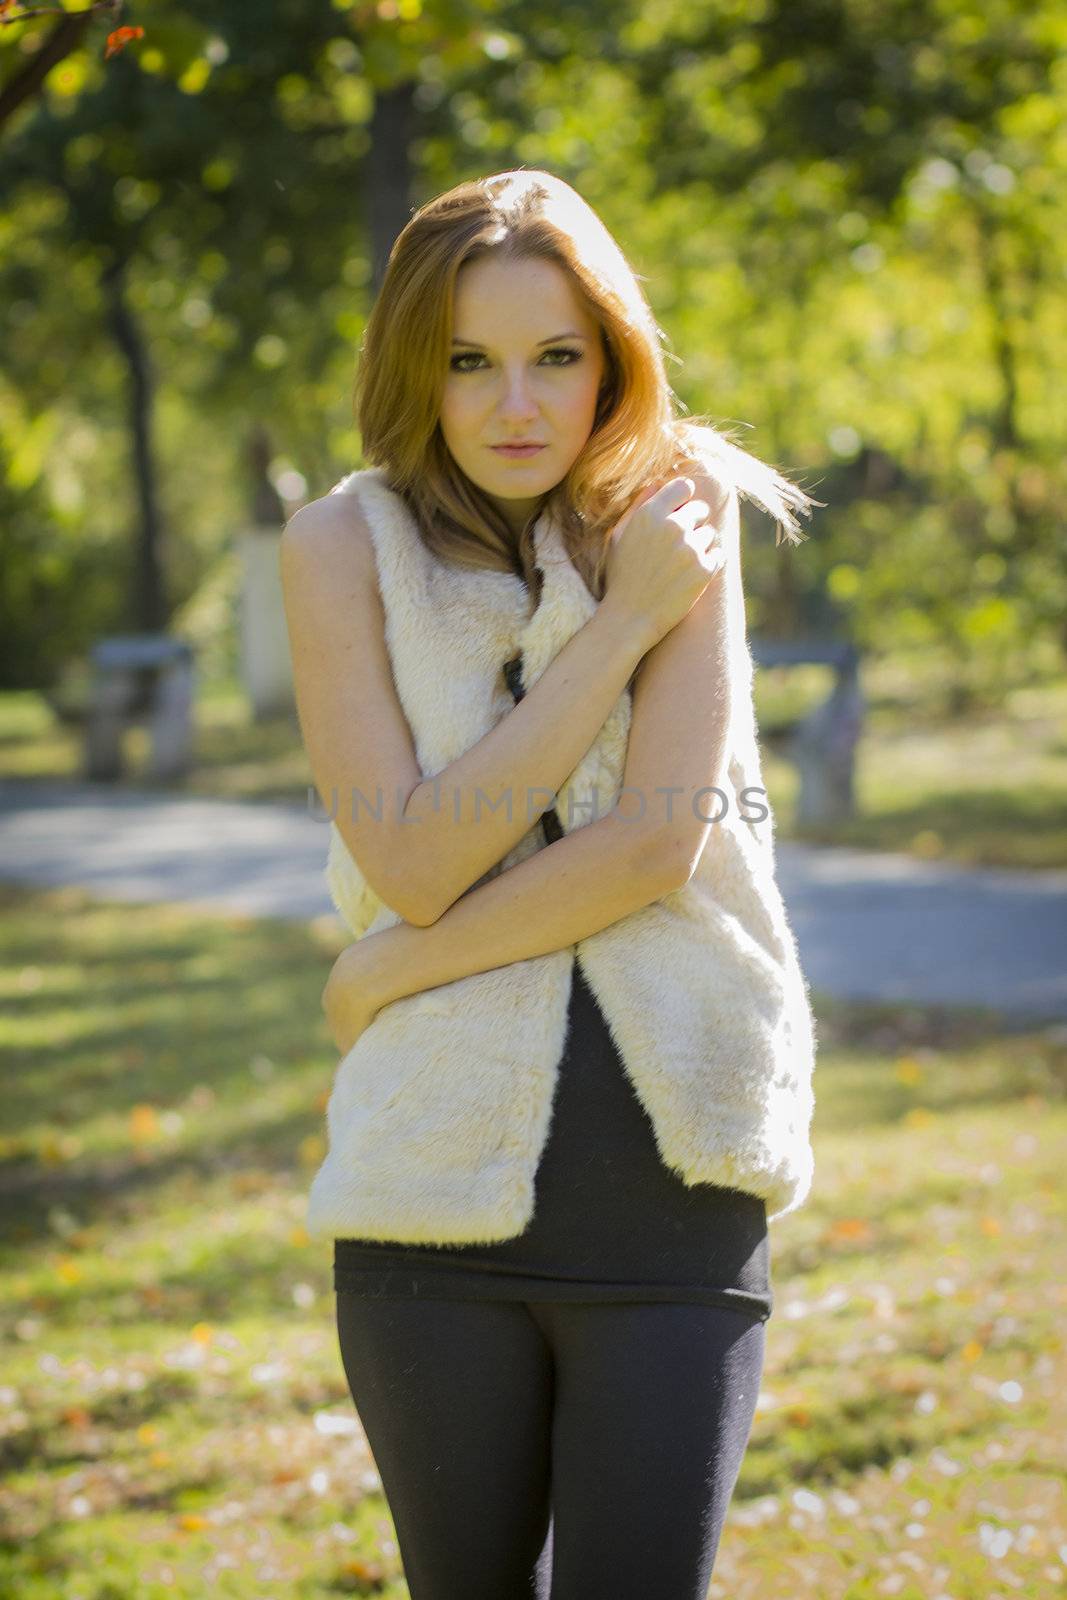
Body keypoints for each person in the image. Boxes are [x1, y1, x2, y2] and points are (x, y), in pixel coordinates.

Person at [281, 169, 820, 1600]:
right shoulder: (342, 546)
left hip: (671, 1192)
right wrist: (617, 633)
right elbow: (410, 852)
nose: (516, 403)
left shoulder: (679, 511)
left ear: (609, 360)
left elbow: (657, 842)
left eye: (556, 357)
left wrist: (394, 967)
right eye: (470, 361)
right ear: (417, 365)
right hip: (425, 1206)